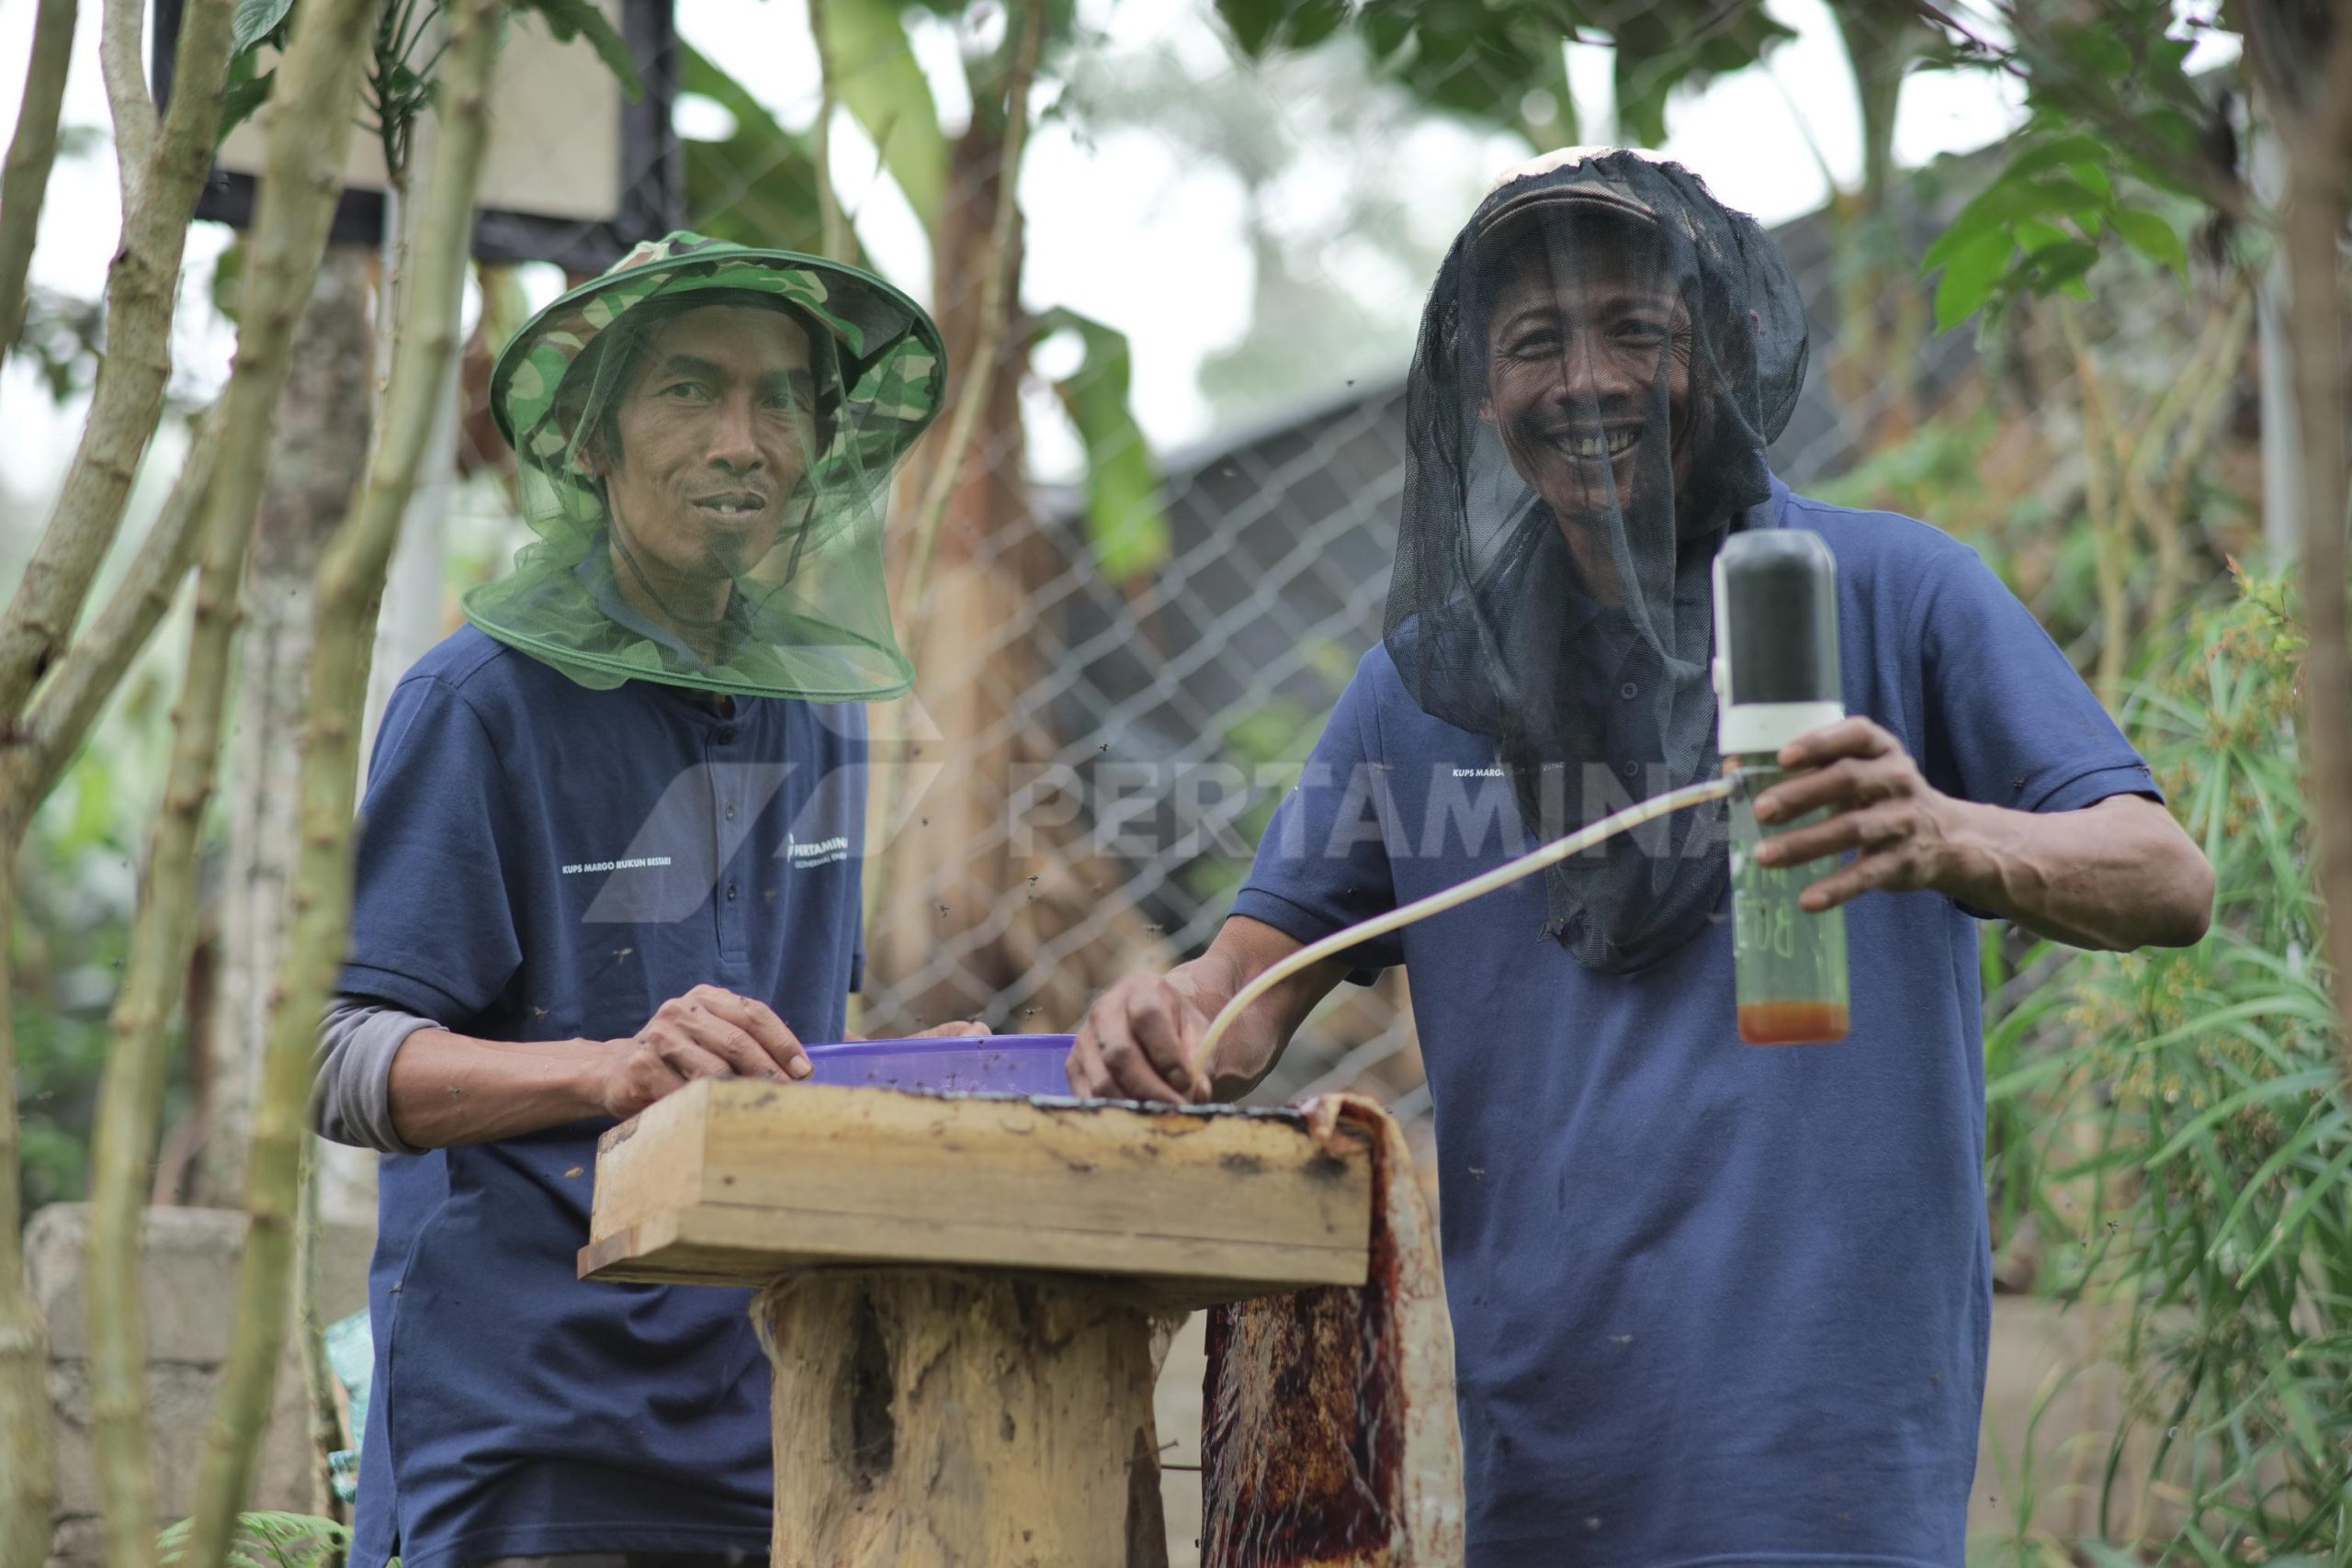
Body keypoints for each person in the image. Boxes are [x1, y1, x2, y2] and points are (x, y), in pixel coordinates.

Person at [1069, 150, 2214, 1565]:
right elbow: (1239, 1005)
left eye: (1637, 329)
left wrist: (1945, 835)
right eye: (1536, 342)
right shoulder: (1424, 691)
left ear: (1725, 350)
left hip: (1829, 1454)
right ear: (1481, 393)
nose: (1586, 379)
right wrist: (1156, 1019)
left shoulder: (1899, 594)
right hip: (1550, 1458)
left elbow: (2164, 876)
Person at [311, 232, 985, 1568]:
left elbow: (765, 1067)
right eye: (687, 389)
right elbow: (340, 1064)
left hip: (768, 1422)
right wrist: (610, 1069)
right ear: (591, 436)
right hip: (531, 1439)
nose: (741, 438)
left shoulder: (820, 724)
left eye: (780, 398)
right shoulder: (476, 705)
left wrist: (908, 1085)